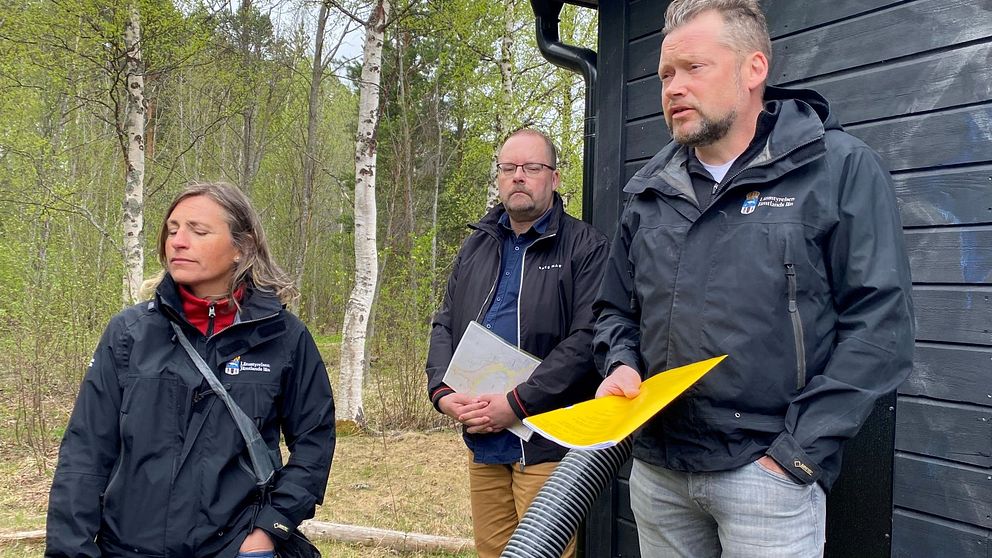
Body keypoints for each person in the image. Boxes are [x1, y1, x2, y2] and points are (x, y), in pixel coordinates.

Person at [592, 1, 914, 556]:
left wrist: (796, 455)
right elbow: (615, 310)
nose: (673, 88)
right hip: (660, 472)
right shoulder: (648, 191)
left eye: (695, 68)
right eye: (666, 74)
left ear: (753, 69)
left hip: (767, 476)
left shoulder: (837, 169)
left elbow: (880, 328)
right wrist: (620, 362)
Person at [46, 182, 335, 558]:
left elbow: (315, 442)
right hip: (131, 547)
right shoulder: (129, 334)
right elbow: (85, 454)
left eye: (198, 231)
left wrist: (270, 528)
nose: (178, 242)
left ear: (242, 247)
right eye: (172, 229)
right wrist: (72, 551)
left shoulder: (283, 336)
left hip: (236, 546)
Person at [426, 128, 608, 557]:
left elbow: (586, 341)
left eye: (531, 168)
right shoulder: (477, 246)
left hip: (546, 440)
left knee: (542, 552)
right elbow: (445, 323)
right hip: (484, 439)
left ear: (555, 178)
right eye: (508, 168)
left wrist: (518, 402)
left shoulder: (585, 247)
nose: (518, 177)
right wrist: (442, 392)